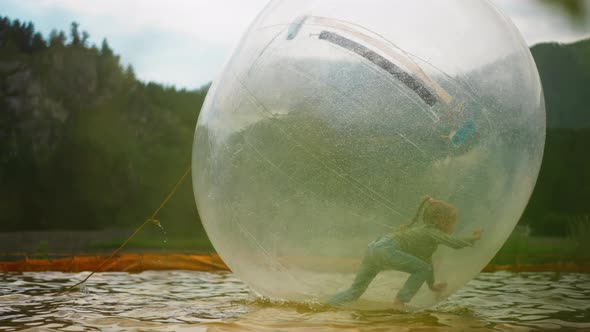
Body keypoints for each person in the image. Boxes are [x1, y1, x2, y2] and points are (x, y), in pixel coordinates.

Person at [328, 196, 482, 310]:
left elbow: (426, 263)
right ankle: (399, 302)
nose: (454, 225)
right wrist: (474, 238)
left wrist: (432, 285)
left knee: (354, 292)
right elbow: (454, 244)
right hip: (386, 249)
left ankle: (326, 304)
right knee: (421, 268)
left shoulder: (425, 235)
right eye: (453, 221)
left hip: (374, 249)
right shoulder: (432, 232)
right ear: (442, 220)